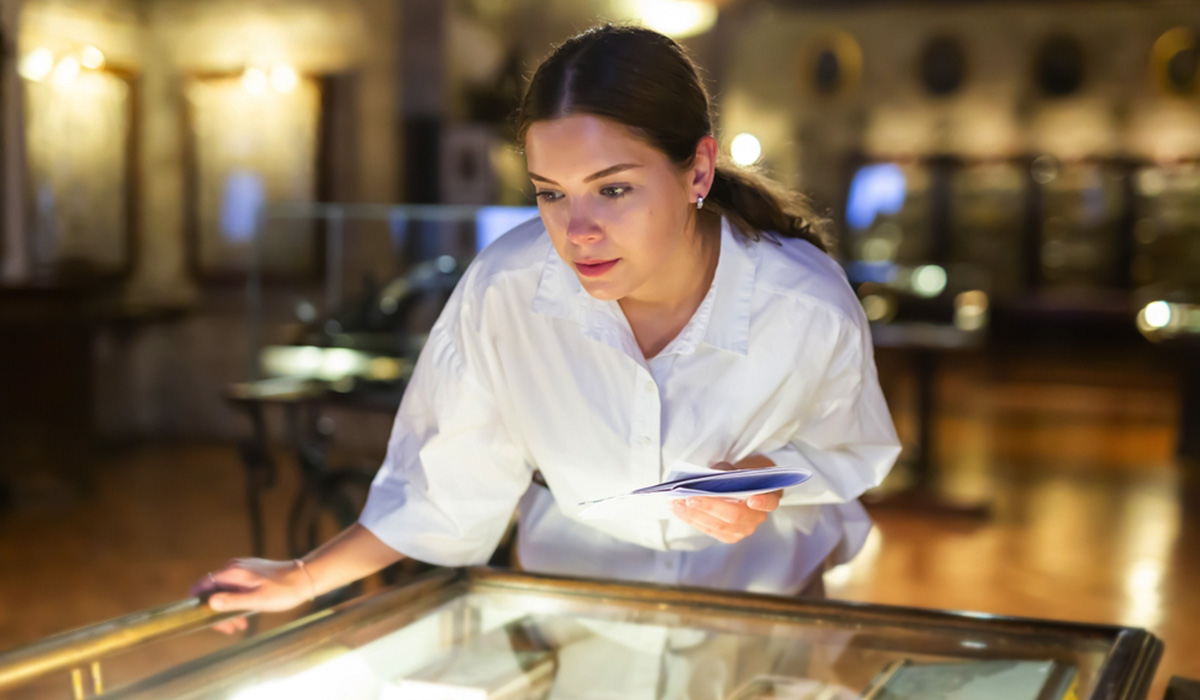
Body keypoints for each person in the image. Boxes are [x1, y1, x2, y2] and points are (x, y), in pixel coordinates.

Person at [191, 24, 900, 632]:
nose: (578, 231)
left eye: (613, 189)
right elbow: (444, 479)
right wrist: (304, 578)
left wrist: (770, 480)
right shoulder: (508, 290)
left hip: (762, 614)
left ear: (698, 170)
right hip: (577, 605)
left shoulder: (803, 304)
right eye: (551, 195)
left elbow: (850, 448)